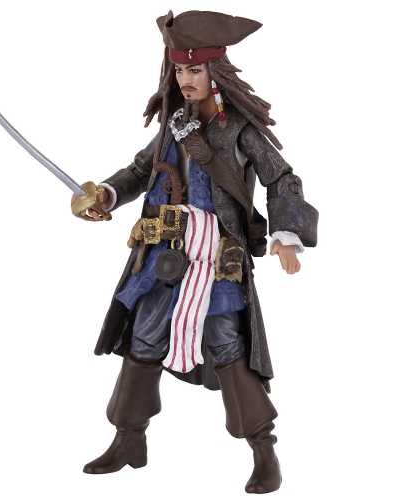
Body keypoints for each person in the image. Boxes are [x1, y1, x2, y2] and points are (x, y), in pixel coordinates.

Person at [71, 10, 318, 494]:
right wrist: (106, 194)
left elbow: (282, 178)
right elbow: (141, 170)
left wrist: (287, 233)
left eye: (195, 70)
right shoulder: (175, 123)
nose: (185, 79)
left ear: (215, 71)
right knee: (143, 336)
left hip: (216, 256)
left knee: (227, 343)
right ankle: (129, 439)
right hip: (164, 252)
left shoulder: (240, 129)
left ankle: (264, 450)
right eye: (179, 69)